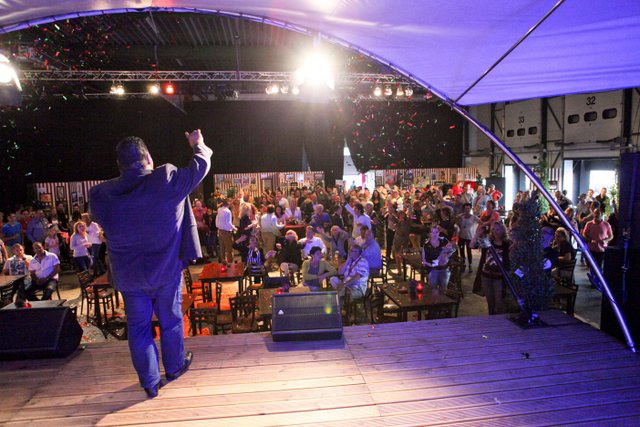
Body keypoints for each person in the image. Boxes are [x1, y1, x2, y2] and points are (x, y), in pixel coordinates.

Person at [90, 130, 211, 398]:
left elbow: (100, 221)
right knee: (170, 320)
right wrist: (197, 144)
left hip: (129, 277)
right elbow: (201, 165)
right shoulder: (165, 179)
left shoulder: (100, 195)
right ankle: (175, 367)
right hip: (165, 271)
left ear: (120, 165)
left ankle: (150, 382)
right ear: (148, 158)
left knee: (139, 328)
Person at [473, 222, 511, 315]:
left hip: (499, 276)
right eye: (493, 229)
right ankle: (492, 319)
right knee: (490, 302)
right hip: (486, 276)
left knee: (499, 302)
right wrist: (477, 234)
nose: (495, 232)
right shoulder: (488, 241)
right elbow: (472, 245)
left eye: (498, 229)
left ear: (503, 230)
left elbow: (510, 258)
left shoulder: (507, 243)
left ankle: (499, 320)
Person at [421, 226, 454, 292]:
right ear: (430, 233)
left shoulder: (444, 240)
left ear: (439, 233)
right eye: (432, 232)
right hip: (433, 270)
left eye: (436, 232)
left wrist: (446, 256)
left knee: (443, 290)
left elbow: (451, 250)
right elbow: (424, 260)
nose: (435, 234)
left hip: (444, 268)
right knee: (433, 291)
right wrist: (432, 264)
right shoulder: (426, 245)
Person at [457, 203, 479, 272]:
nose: (467, 210)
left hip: (469, 237)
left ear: (470, 209)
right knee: (461, 251)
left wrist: (478, 233)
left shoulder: (474, 217)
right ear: (463, 209)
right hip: (461, 236)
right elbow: (457, 224)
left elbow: (481, 222)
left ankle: (470, 265)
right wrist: (458, 220)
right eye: (465, 208)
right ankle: (463, 264)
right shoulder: (460, 216)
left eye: (468, 208)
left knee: (469, 251)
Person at [216, 198, 236, 265]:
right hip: (226, 232)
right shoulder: (228, 211)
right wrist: (234, 228)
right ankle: (230, 263)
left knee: (222, 248)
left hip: (220, 231)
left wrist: (218, 227)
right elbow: (228, 223)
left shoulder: (219, 210)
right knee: (229, 248)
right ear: (228, 204)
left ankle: (223, 262)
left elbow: (217, 220)